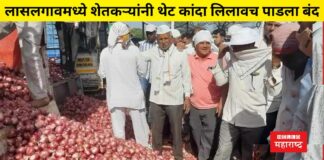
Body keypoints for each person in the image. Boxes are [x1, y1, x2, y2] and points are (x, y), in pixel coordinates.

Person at [210, 25, 282, 160]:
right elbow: (221, 81)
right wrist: (219, 58)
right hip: (230, 117)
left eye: (238, 46)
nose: (235, 49)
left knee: (250, 155)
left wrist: (276, 68)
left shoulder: (267, 61)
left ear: (251, 44)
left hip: (253, 121)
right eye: (234, 46)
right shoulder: (232, 60)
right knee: (222, 153)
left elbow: (274, 90)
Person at [141, 25, 192, 160]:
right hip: (156, 98)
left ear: (171, 38)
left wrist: (187, 97)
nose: (163, 41)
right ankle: (155, 154)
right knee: (156, 130)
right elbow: (138, 57)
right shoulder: (152, 52)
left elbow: (186, 77)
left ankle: (178, 156)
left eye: (166, 38)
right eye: (160, 39)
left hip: (174, 99)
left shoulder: (180, 53)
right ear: (157, 39)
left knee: (176, 131)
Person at [97, 22, 149, 147]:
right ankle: (145, 153)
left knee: (119, 132)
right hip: (134, 96)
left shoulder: (105, 52)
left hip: (115, 96)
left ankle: (121, 153)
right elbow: (143, 71)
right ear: (125, 35)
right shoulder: (135, 50)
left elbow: (102, 74)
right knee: (140, 131)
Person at [188, 30, 221, 160]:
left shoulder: (217, 58)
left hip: (212, 105)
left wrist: (221, 102)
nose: (205, 45)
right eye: (201, 43)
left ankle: (203, 157)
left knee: (210, 134)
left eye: (207, 43)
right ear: (195, 45)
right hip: (194, 105)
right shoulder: (189, 59)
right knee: (196, 132)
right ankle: (202, 154)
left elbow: (225, 83)